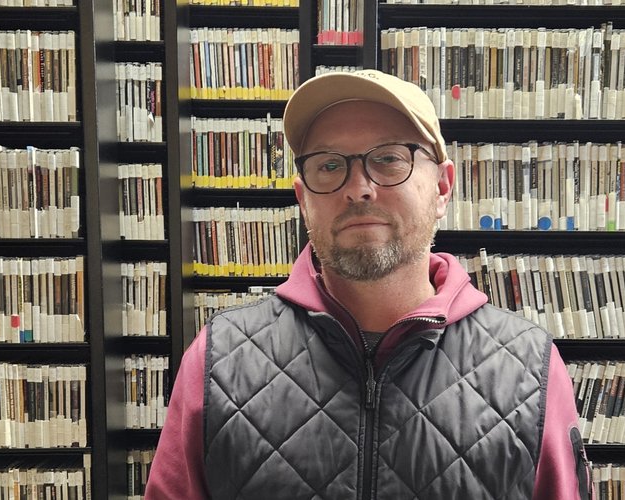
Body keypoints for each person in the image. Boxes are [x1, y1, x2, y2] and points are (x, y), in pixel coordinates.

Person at [146, 69, 590, 499]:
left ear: (442, 187)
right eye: (329, 165)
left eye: (388, 159)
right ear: (303, 199)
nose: (358, 188)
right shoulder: (218, 361)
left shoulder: (530, 368)